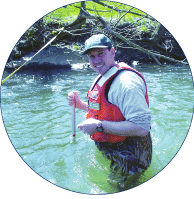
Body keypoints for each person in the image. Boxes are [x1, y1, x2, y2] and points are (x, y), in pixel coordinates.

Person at [68, 34, 152, 175]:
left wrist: (99, 126)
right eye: (92, 56)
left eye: (101, 54)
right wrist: (81, 105)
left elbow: (142, 127)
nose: (97, 60)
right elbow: (106, 110)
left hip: (130, 155)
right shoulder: (105, 73)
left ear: (112, 52)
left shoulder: (126, 83)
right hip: (114, 149)